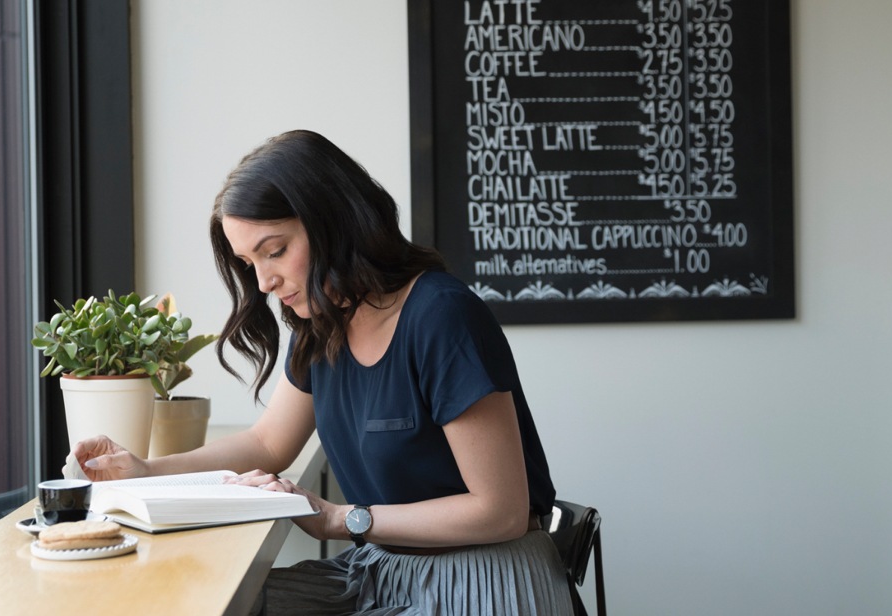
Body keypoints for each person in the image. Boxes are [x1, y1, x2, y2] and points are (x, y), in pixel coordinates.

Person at [72, 129, 573, 615]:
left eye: (275, 251)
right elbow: (268, 444)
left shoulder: (442, 316)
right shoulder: (322, 327)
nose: (265, 281)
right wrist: (148, 472)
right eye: (250, 263)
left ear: (335, 222)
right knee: (201, 600)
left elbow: (500, 511)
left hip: (485, 580)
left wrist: (337, 518)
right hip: (385, 569)